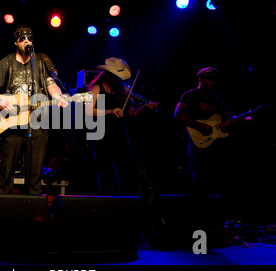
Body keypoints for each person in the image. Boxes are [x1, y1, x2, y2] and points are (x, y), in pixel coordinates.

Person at [0, 24, 68, 195]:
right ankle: (1, 209)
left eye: (29, 39)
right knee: (6, 173)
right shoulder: (7, 62)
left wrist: (57, 96)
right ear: (16, 42)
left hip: (37, 123)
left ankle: (33, 213)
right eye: (22, 39)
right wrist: (0, 100)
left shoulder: (42, 61)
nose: (26, 41)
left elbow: (50, 84)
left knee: (35, 174)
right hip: (12, 124)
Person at [85, 57, 159, 195]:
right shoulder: (97, 88)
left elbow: (132, 113)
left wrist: (144, 107)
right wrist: (110, 111)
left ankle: (127, 198)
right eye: (116, 77)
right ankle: (106, 197)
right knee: (105, 169)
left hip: (120, 134)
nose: (119, 81)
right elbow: (88, 111)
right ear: (108, 75)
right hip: (101, 134)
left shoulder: (125, 90)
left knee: (127, 166)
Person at [174, 67, 236, 196]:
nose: (212, 82)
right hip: (195, 139)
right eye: (209, 79)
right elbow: (178, 115)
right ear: (200, 79)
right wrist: (201, 126)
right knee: (196, 174)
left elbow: (228, 118)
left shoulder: (217, 99)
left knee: (212, 175)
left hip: (214, 142)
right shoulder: (190, 95)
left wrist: (244, 117)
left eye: (214, 79)